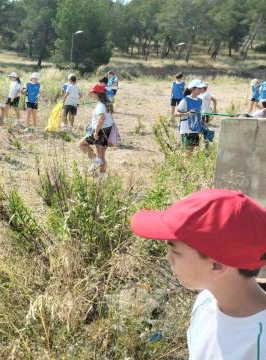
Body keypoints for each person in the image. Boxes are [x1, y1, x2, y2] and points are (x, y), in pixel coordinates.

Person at [130, 189, 266, 359]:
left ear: (216, 265)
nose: (168, 257)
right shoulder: (205, 303)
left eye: (176, 252)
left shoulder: (260, 344)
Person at [78, 83, 113, 178]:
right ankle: (102, 176)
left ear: (97, 94)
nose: (91, 95)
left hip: (100, 131)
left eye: (92, 93)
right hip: (106, 130)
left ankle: (95, 161)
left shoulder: (101, 105)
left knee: (81, 144)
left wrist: (96, 132)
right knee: (102, 156)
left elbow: (102, 118)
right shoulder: (107, 103)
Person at [174, 79, 206, 152]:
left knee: (191, 151)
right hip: (186, 128)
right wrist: (187, 113)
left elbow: (199, 114)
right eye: (199, 88)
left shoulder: (200, 100)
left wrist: (202, 123)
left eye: (201, 88)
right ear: (193, 89)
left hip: (195, 129)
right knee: (186, 151)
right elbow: (175, 114)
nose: (201, 90)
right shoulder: (185, 100)